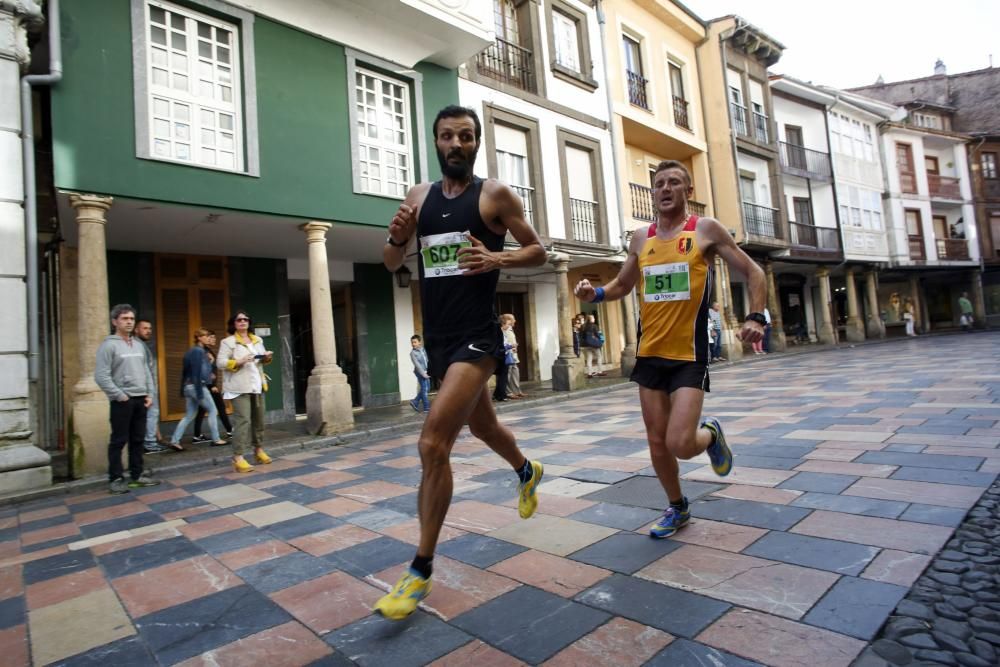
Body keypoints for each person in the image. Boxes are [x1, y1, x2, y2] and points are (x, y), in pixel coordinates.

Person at [375, 104, 547, 620]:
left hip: (477, 337)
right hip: (438, 340)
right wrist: (397, 236)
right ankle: (526, 467)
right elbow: (390, 262)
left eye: (466, 136)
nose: (457, 143)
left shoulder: (493, 195)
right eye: (448, 136)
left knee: (433, 443)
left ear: (476, 143)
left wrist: (497, 258)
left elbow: (538, 250)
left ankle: (419, 570)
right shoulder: (418, 197)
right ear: (435, 142)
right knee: (484, 426)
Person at [574, 160, 765, 539]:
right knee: (657, 441)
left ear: (687, 192)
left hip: (689, 357)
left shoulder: (705, 230)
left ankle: (709, 434)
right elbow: (622, 285)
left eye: (673, 182)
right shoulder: (640, 238)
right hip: (649, 354)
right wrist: (592, 293)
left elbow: (754, 272)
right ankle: (677, 507)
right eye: (659, 183)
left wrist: (756, 317)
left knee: (681, 442)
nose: (664, 189)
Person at [94, 304, 161, 494]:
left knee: (138, 440)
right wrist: (120, 395)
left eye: (131, 318)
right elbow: (101, 376)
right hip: (123, 400)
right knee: (118, 441)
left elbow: (146, 371)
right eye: (125, 319)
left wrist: (150, 394)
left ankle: (136, 475)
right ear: (115, 321)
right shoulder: (108, 346)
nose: (129, 322)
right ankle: (115, 478)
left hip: (141, 399)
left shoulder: (139, 345)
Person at [217, 311, 273, 473]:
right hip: (239, 387)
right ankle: (238, 457)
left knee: (259, 420)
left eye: (245, 319)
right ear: (233, 323)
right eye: (239, 320)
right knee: (243, 421)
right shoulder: (228, 342)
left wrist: (267, 357)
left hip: (257, 385)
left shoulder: (257, 340)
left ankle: (258, 450)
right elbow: (220, 363)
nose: (242, 322)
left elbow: (261, 360)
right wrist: (239, 361)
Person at [168, 329, 228, 450]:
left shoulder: (192, 351)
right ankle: (216, 439)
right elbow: (197, 371)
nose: (208, 338)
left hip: (189, 386)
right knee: (212, 410)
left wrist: (210, 364)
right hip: (197, 386)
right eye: (205, 336)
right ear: (199, 338)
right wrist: (201, 389)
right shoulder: (198, 351)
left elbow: (190, 371)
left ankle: (174, 440)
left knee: (189, 415)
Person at [134, 319, 172, 453]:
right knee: (151, 414)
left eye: (150, 328)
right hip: (146, 389)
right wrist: (148, 391)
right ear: (136, 330)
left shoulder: (141, 346)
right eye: (144, 328)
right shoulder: (138, 346)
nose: (148, 331)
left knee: (150, 415)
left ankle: (150, 441)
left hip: (147, 387)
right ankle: (149, 443)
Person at [193, 331, 233, 443]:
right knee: (220, 407)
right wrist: (212, 385)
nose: (214, 340)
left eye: (214, 337)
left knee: (201, 410)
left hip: (207, 385)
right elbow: (205, 370)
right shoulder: (204, 351)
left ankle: (197, 435)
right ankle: (229, 430)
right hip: (208, 385)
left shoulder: (208, 351)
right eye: (211, 337)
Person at [501, 314, 525, 399]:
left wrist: (514, 347)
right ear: (508, 320)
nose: (514, 321)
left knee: (515, 372)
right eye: (513, 319)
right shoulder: (504, 329)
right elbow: (504, 342)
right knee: (508, 373)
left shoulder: (510, 329)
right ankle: (508, 392)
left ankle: (516, 391)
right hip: (508, 354)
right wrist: (511, 346)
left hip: (513, 355)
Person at [409, 334, 431, 413]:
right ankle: (426, 408)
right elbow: (417, 365)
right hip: (420, 372)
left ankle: (415, 401)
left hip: (426, 371)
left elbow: (427, 359)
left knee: (427, 389)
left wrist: (429, 370)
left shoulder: (423, 349)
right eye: (412, 342)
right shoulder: (412, 353)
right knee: (424, 390)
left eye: (415, 342)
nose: (413, 344)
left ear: (419, 342)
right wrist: (424, 374)